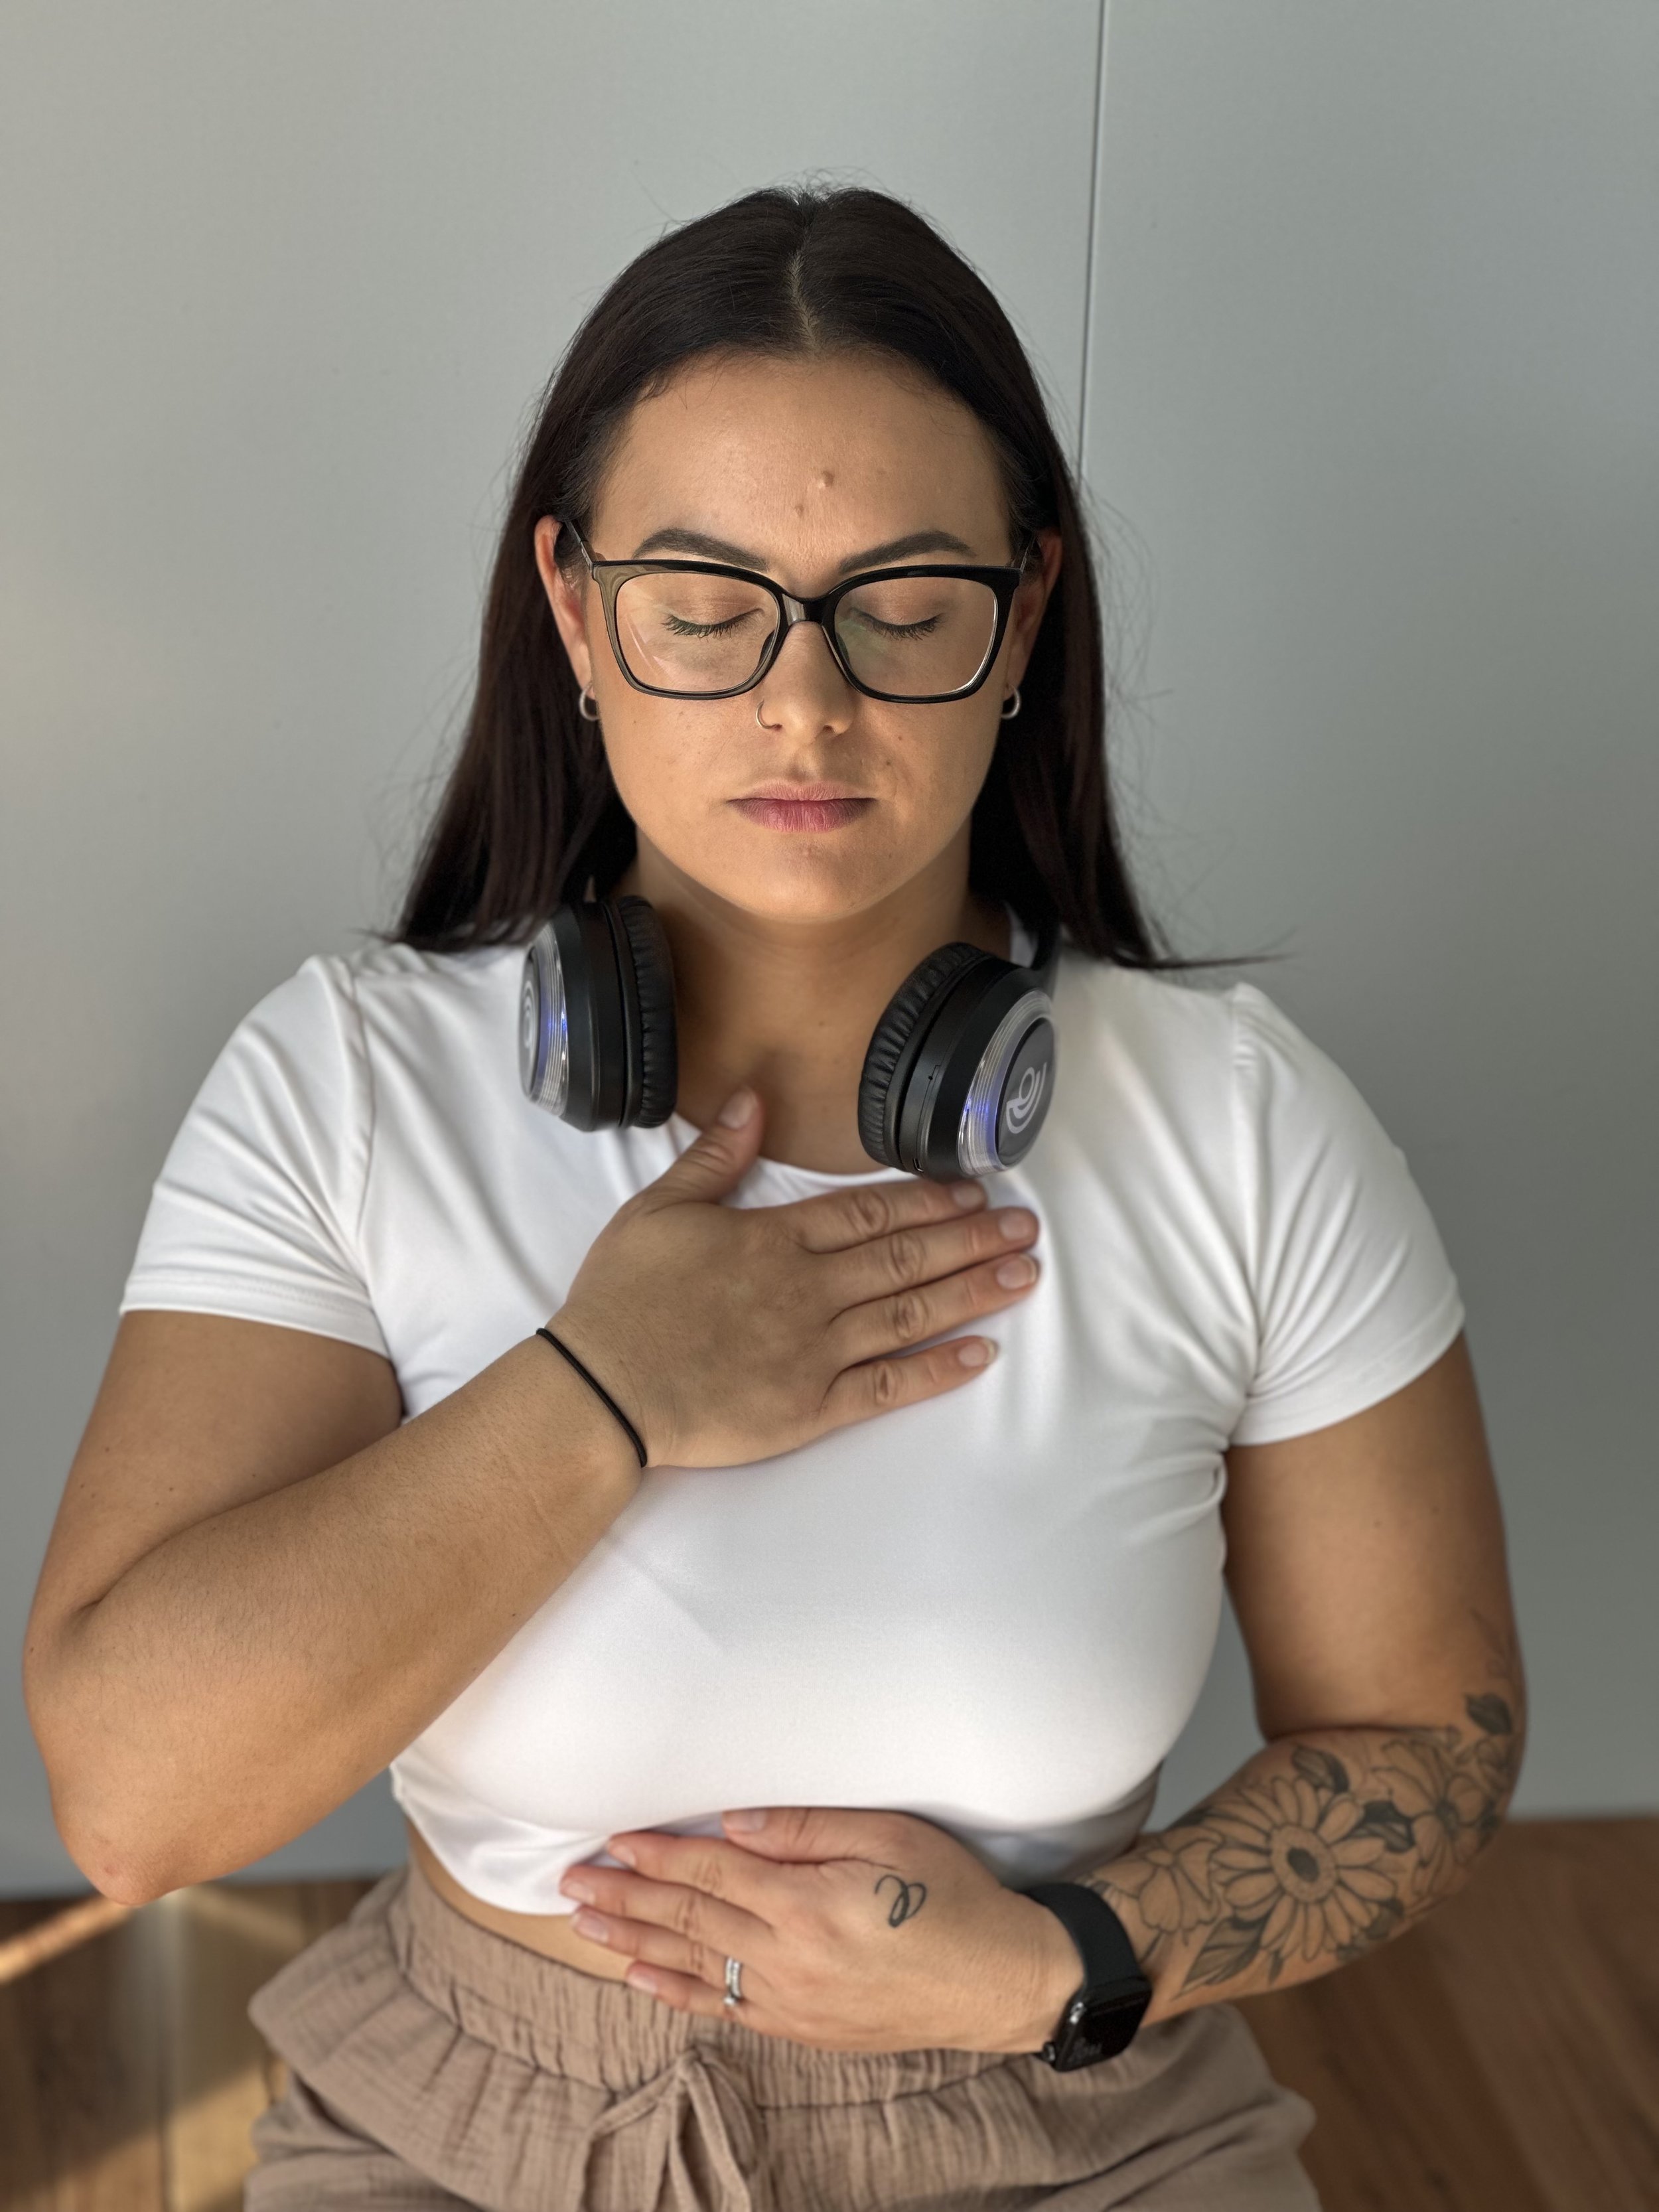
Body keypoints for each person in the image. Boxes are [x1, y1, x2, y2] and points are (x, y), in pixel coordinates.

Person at [24, 186, 1523, 2211]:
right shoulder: (349, 1082)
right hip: (461, 2131)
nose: (803, 706)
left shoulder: (1244, 1126)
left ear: (1023, 614)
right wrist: (606, 1392)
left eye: (900, 606)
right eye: (702, 601)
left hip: (1073, 2129)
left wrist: (1065, 1965)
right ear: (576, 612)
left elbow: (1429, 1736)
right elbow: (134, 1805)